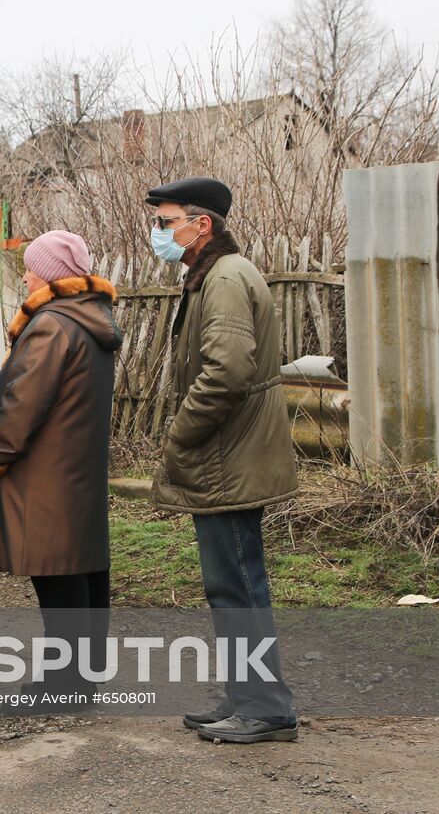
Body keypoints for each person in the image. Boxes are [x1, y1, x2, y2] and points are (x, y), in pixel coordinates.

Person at [146, 177, 299, 744]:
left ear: (200, 223)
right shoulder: (213, 274)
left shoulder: (227, 278)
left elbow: (227, 372)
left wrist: (181, 434)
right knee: (230, 584)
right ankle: (246, 696)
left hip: (228, 459)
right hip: (226, 459)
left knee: (239, 585)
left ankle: (266, 708)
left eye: (165, 223)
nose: (158, 234)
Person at [0, 230, 122, 700]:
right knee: (81, 570)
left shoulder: (52, 325)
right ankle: (82, 675)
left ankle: (66, 682)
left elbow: (23, 401)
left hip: (44, 473)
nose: (29, 275)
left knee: (57, 577)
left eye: (34, 268)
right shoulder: (90, 318)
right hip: (75, 469)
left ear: (52, 275)